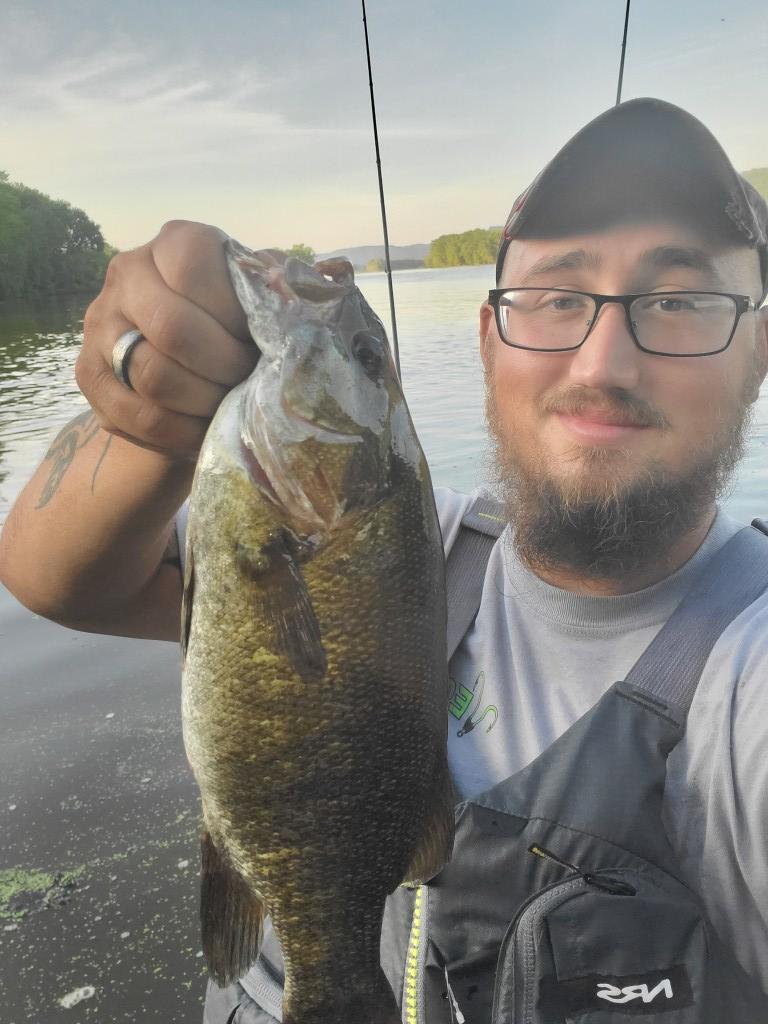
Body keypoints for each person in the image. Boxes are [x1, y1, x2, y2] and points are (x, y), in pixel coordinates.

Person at [1, 97, 768, 1022]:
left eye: (679, 301)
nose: (604, 363)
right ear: (488, 342)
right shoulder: (421, 549)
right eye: (557, 297)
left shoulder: (749, 677)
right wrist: (152, 419)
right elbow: (59, 581)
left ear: (760, 351)